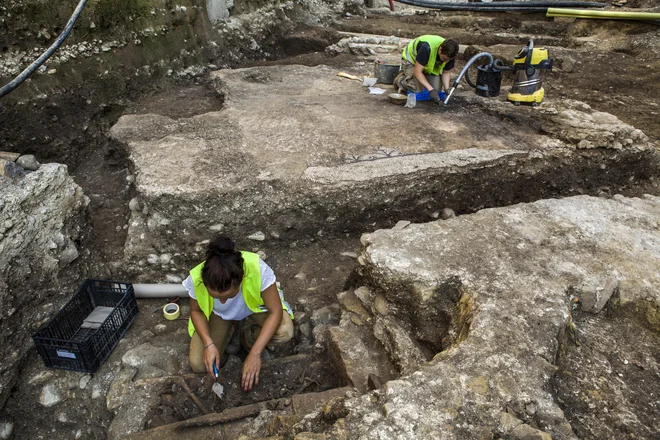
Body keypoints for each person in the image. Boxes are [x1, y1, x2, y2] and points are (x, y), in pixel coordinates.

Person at [184, 236, 294, 392]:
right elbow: (196, 311)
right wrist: (209, 344)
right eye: (216, 297)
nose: (222, 302)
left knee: (285, 331)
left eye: (229, 296)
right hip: (218, 316)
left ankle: (247, 339)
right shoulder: (198, 278)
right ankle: (231, 328)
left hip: (254, 307)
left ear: (241, 279)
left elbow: (275, 311)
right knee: (199, 364)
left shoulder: (257, 269)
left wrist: (255, 354)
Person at [394, 35, 459, 104]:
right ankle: (401, 80)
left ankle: (423, 77)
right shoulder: (426, 48)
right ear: (440, 49)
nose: (446, 62)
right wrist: (431, 90)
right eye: (444, 58)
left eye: (448, 60)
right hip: (411, 61)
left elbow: (446, 72)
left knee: (437, 90)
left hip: (426, 65)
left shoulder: (451, 53)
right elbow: (418, 72)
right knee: (417, 89)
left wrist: (447, 89)